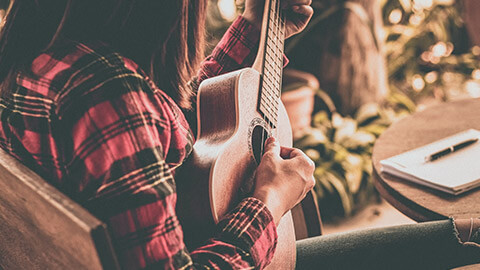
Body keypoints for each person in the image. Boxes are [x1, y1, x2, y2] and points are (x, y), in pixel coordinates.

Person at [0, 0, 478, 269]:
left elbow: (164, 126)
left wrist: (257, 29)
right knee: (465, 241)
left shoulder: (43, 56)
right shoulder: (110, 98)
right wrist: (269, 200)